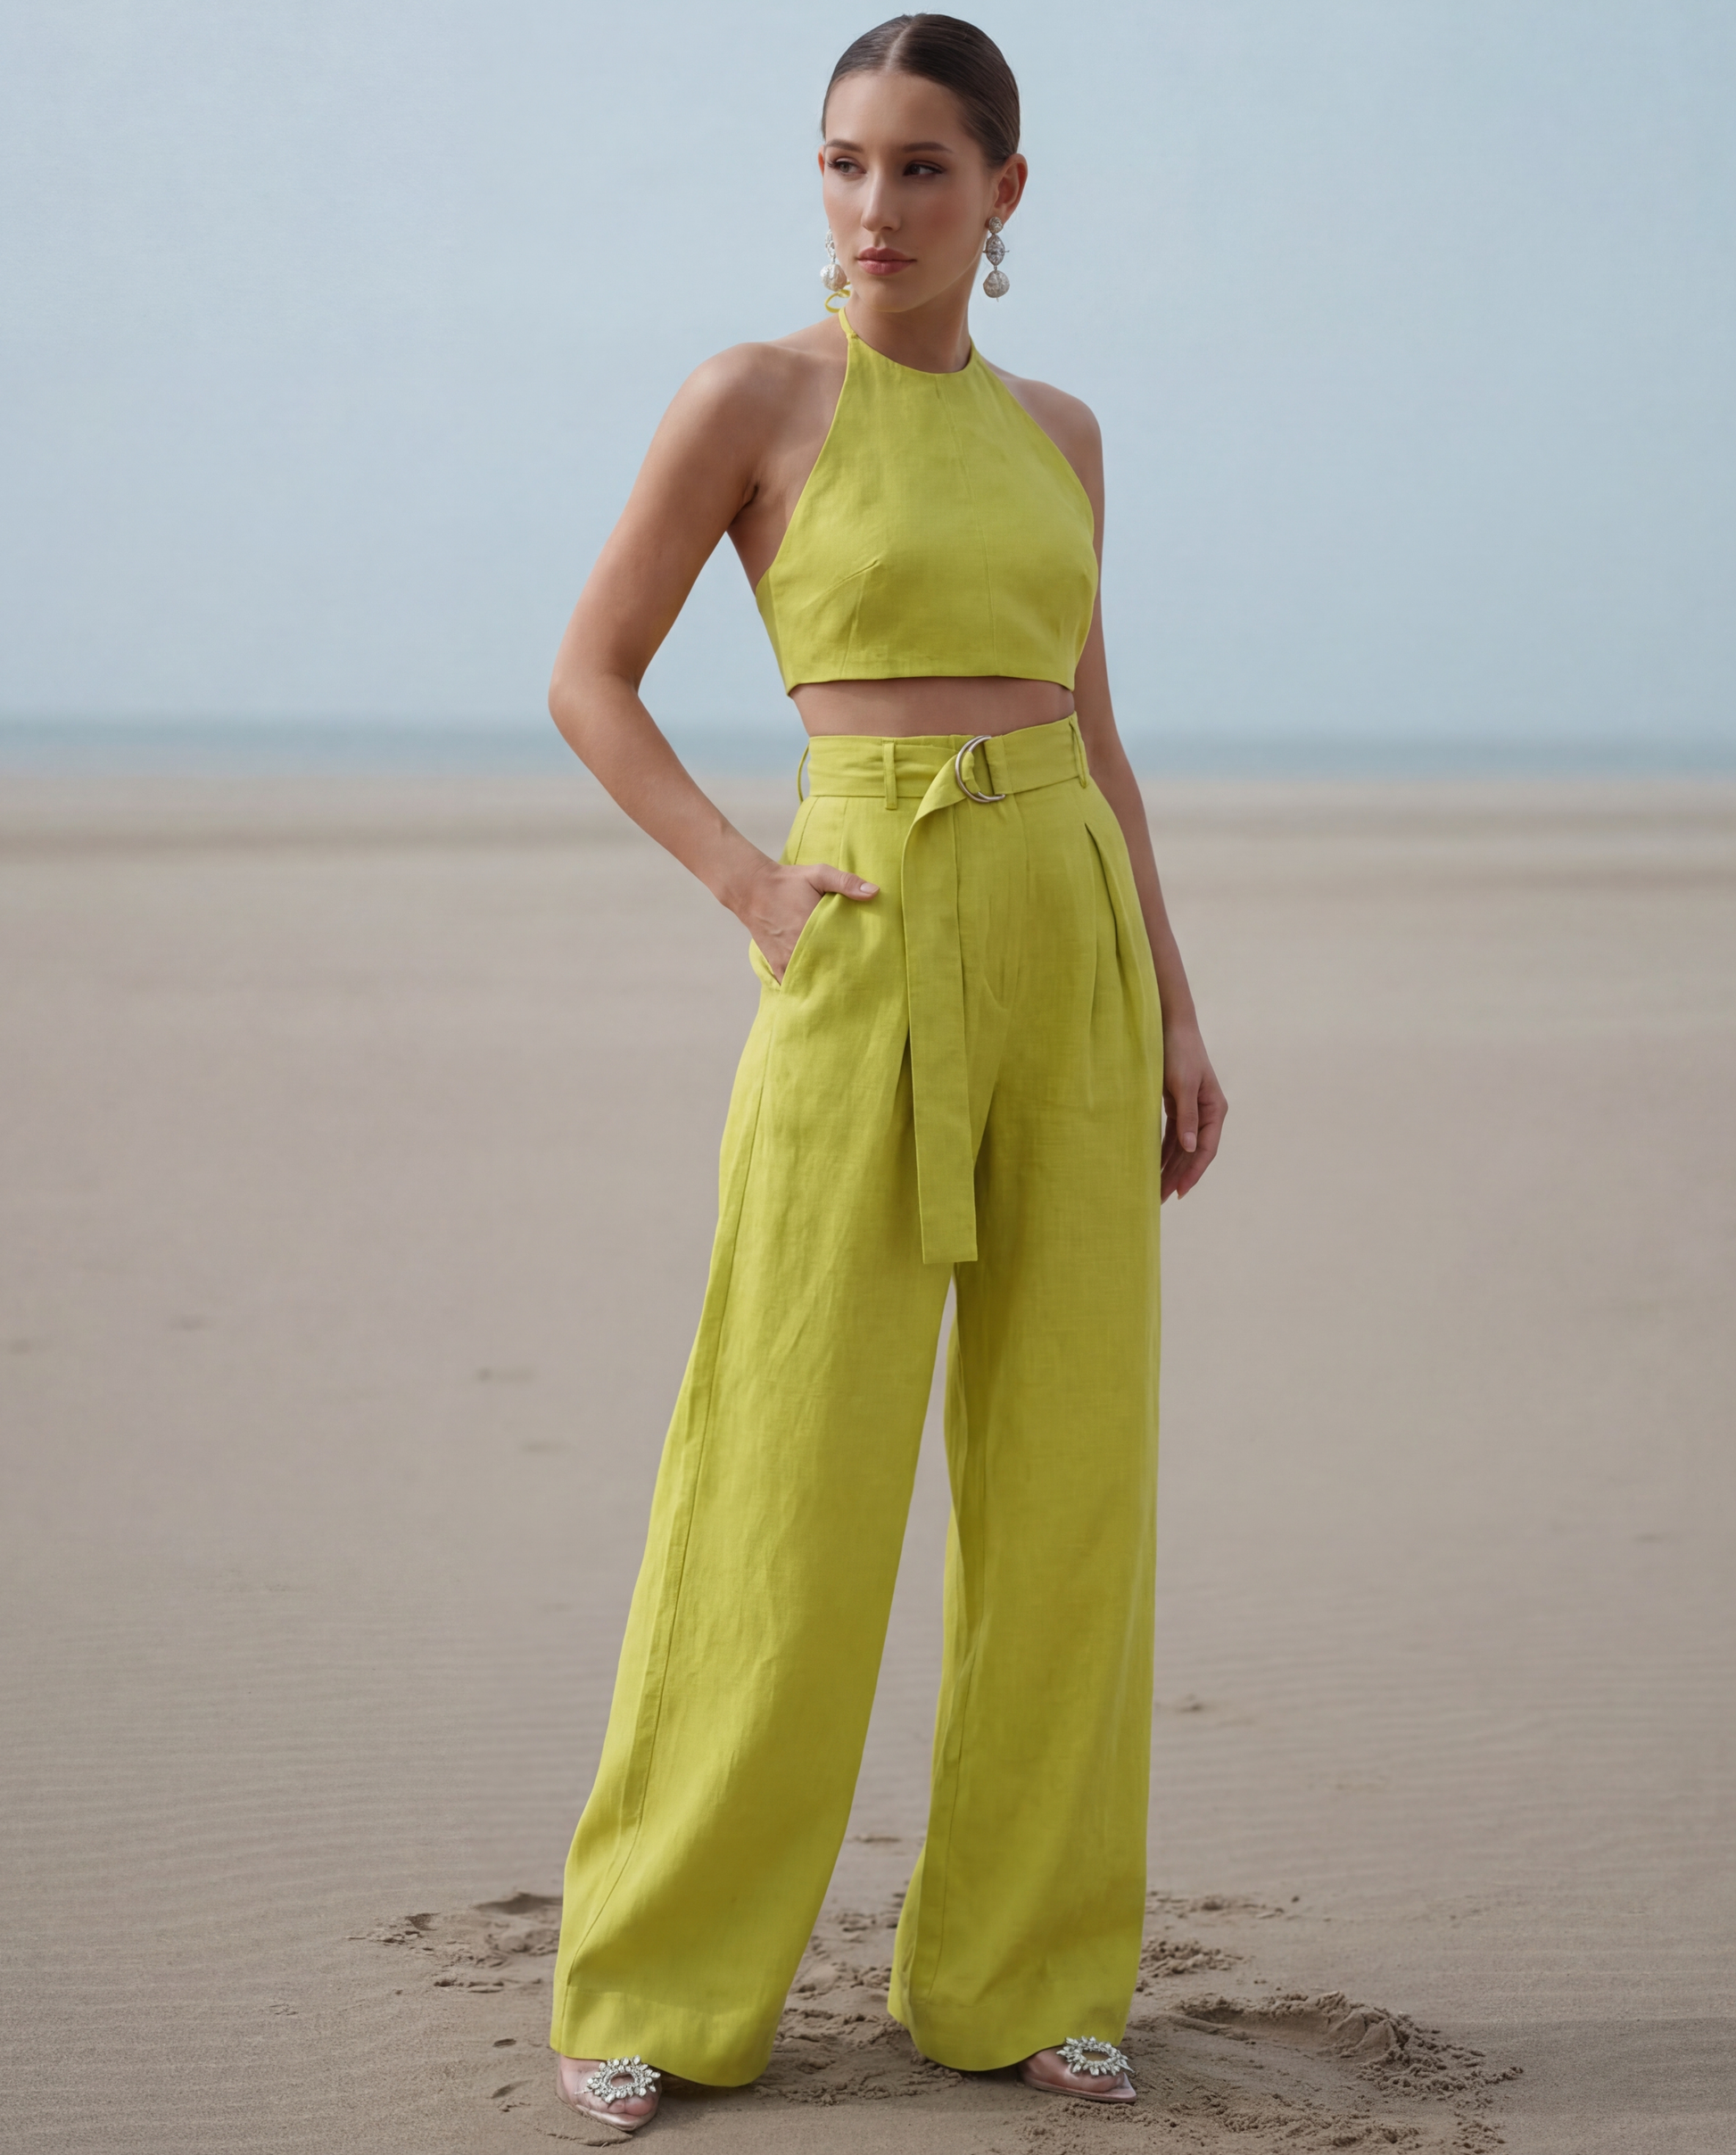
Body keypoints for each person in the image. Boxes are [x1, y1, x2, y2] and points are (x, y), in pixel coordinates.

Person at [543, 12, 1227, 2133]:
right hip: (854, 933)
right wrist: (749, 885)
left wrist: (1174, 1003)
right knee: (784, 1461)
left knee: (1069, 1476)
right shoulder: (750, 398)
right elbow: (589, 677)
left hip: (1064, 939)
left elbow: (1092, 731)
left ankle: (1027, 1973)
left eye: (924, 168)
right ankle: (658, 1975)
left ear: (1003, 195)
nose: (876, 206)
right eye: (845, 162)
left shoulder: (1062, 433)